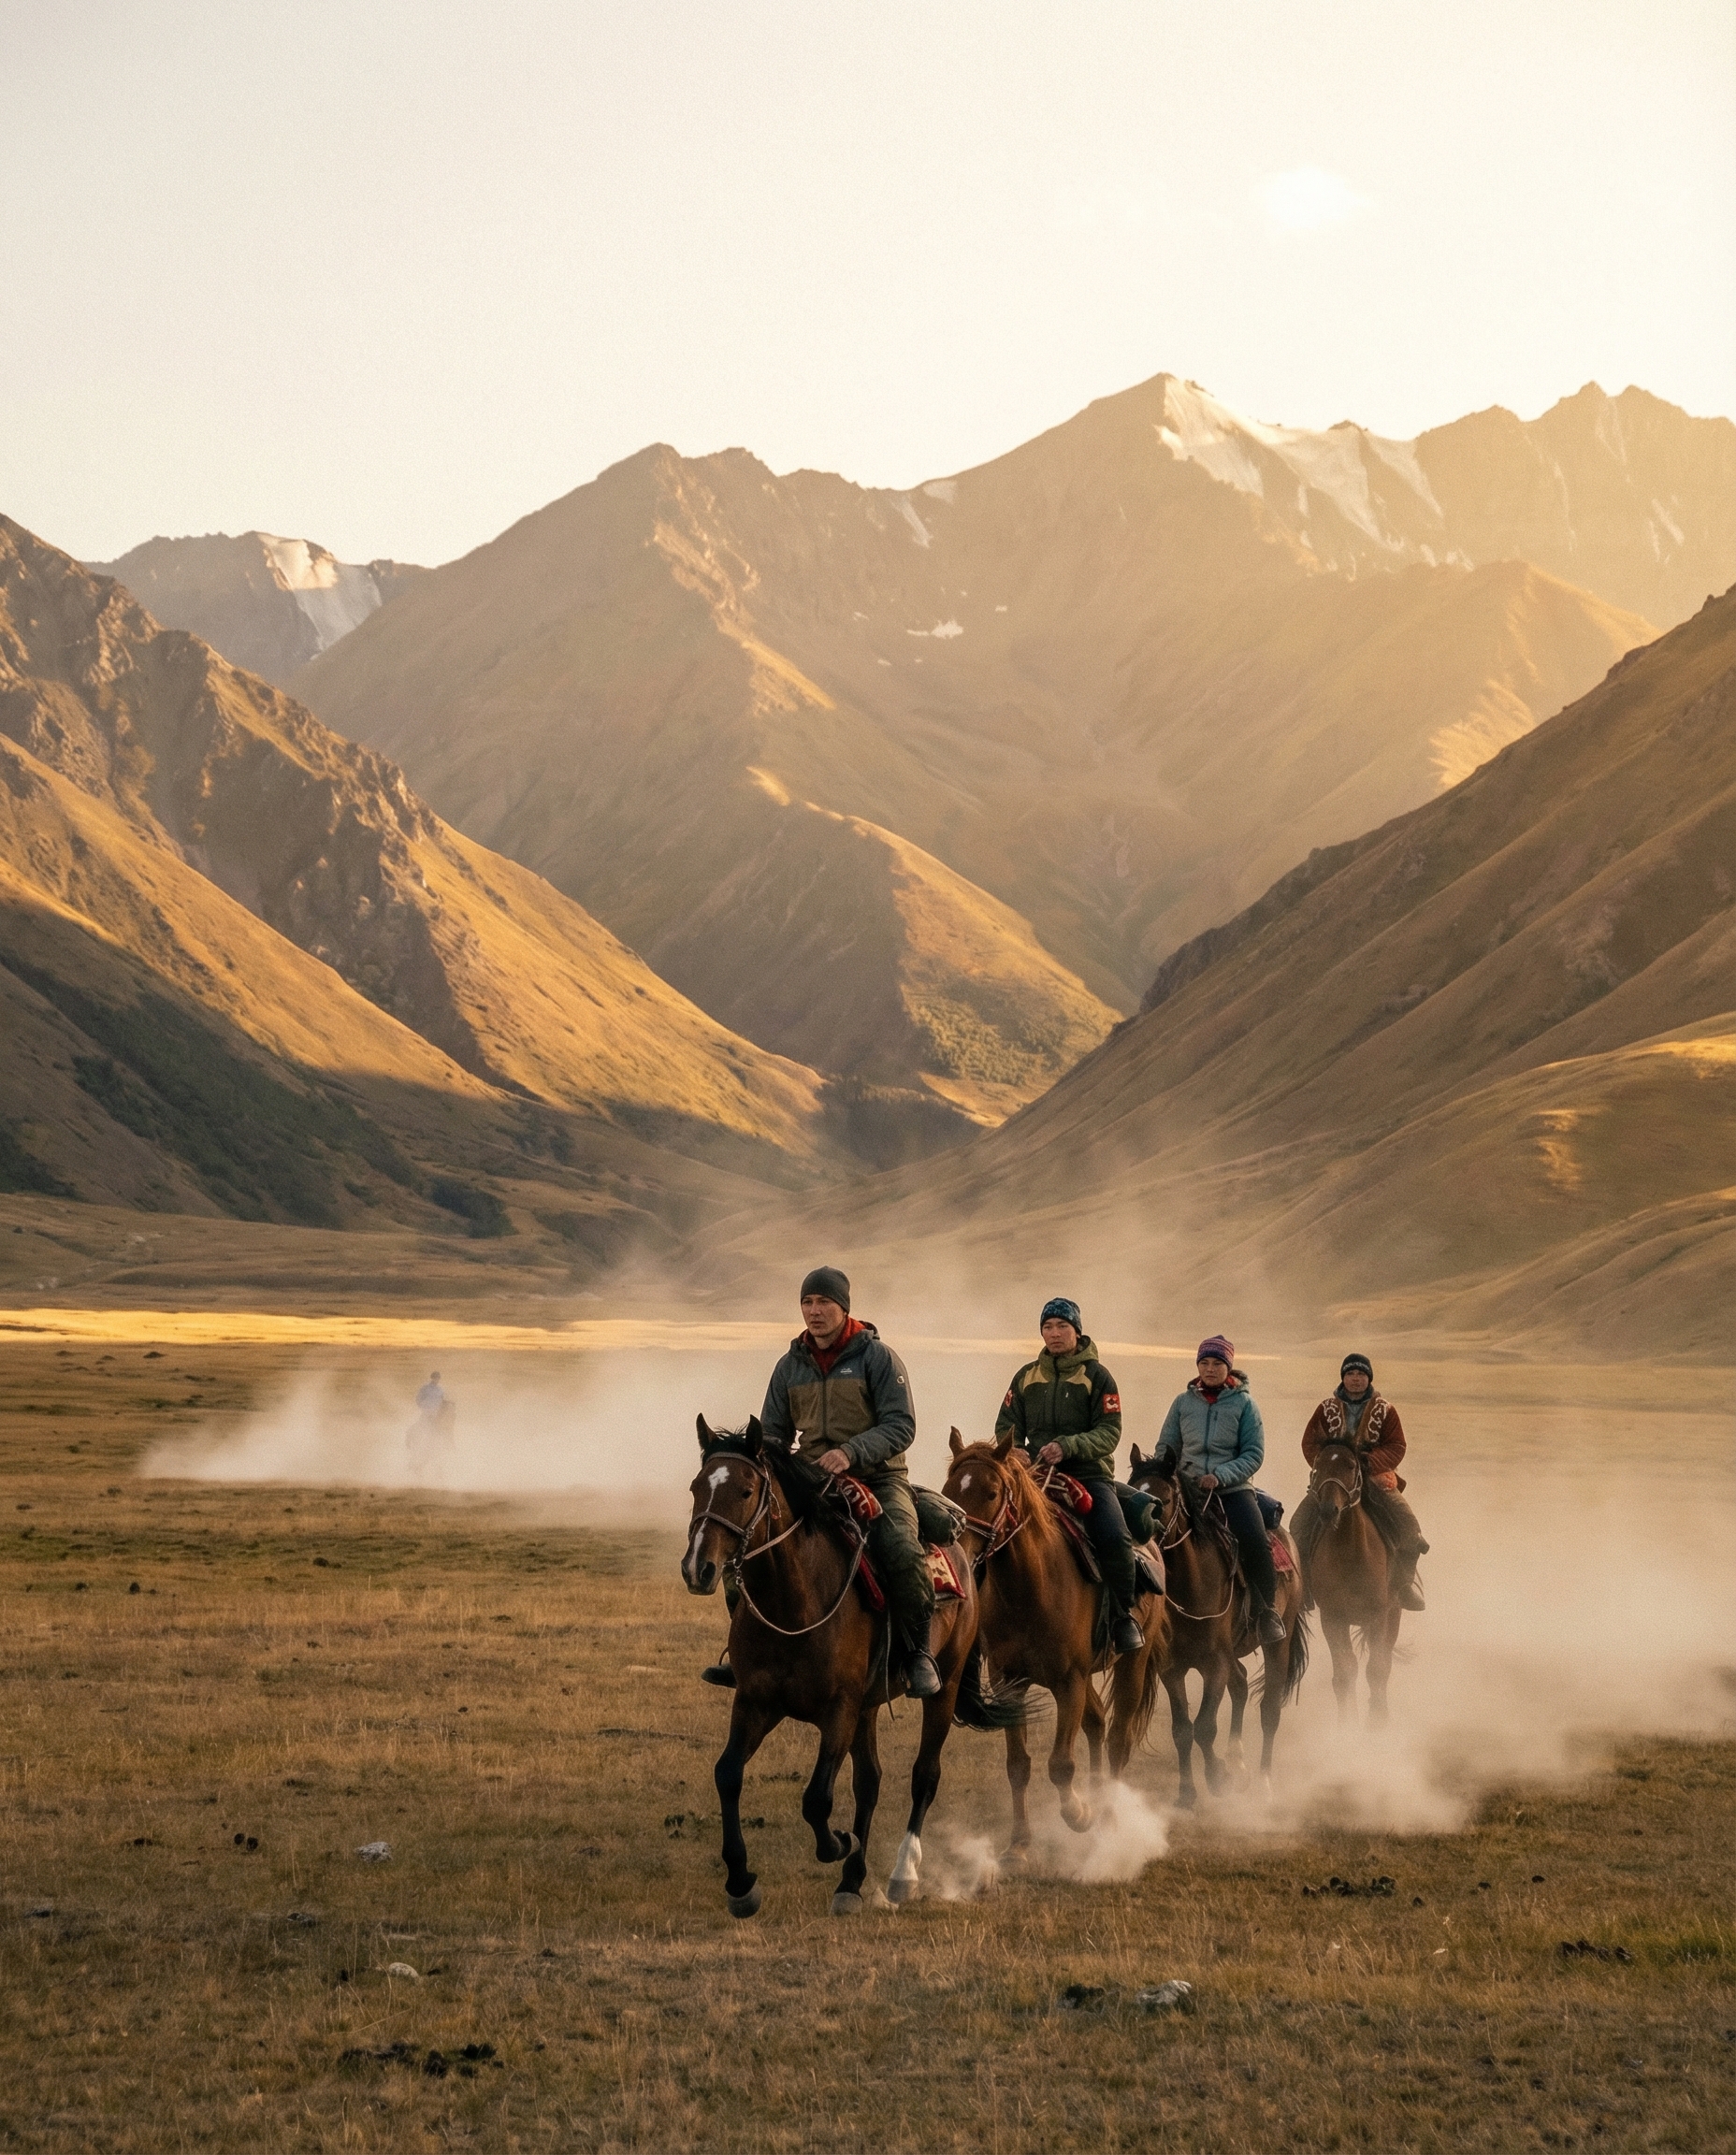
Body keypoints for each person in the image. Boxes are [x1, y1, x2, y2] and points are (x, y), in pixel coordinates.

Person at [702, 1266, 940, 1699]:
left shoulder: (878, 1358)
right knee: (747, 1553)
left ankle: (917, 1654)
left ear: (844, 1307)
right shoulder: (789, 1366)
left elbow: (901, 1425)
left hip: (879, 1476)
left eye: (824, 1303)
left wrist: (851, 1452)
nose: (814, 1312)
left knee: (903, 1552)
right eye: (807, 1303)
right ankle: (746, 1657)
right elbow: (773, 1434)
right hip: (811, 1477)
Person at [993, 1296, 1144, 1655]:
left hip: (1088, 1473)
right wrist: (1011, 1448)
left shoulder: (1098, 1376)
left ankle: (1124, 1616)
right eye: (1048, 1327)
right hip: (1033, 1474)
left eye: (1062, 1326)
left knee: (1114, 1536)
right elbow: (1006, 1425)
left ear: (1077, 1331)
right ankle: (978, 1624)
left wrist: (1068, 1447)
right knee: (991, 1530)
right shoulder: (1026, 1375)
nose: (1055, 1333)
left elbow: (1109, 1431)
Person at [1155, 1335, 1285, 1646]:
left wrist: (1220, 1475)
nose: (1210, 1369)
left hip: (1233, 1489)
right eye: (1204, 1363)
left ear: (1229, 1367)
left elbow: (1253, 1453)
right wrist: (1165, 1472)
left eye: (1217, 1363)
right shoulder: (1183, 1402)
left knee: (1254, 1540)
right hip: (1187, 1488)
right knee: (1154, 1534)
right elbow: (1167, 1445)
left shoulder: (1244, 1405)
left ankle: (1266, 1612)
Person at [1297, 1352, 1427, 1611]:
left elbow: (1397, 1446)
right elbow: (1310, 1443)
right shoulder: (1326, 1408)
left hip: (1375, 1478)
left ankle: (1403, 1586)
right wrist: (1326, 1468)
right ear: (1343, 1378)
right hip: (1336, 1479)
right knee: (1298, 1524)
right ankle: (1306, 1588)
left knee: (1410, 1527)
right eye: (1350, 1374)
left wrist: (1370, 1463)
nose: (1355, 1379)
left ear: (1368, 1379)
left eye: (1360, 1374)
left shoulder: (1385, 1410)